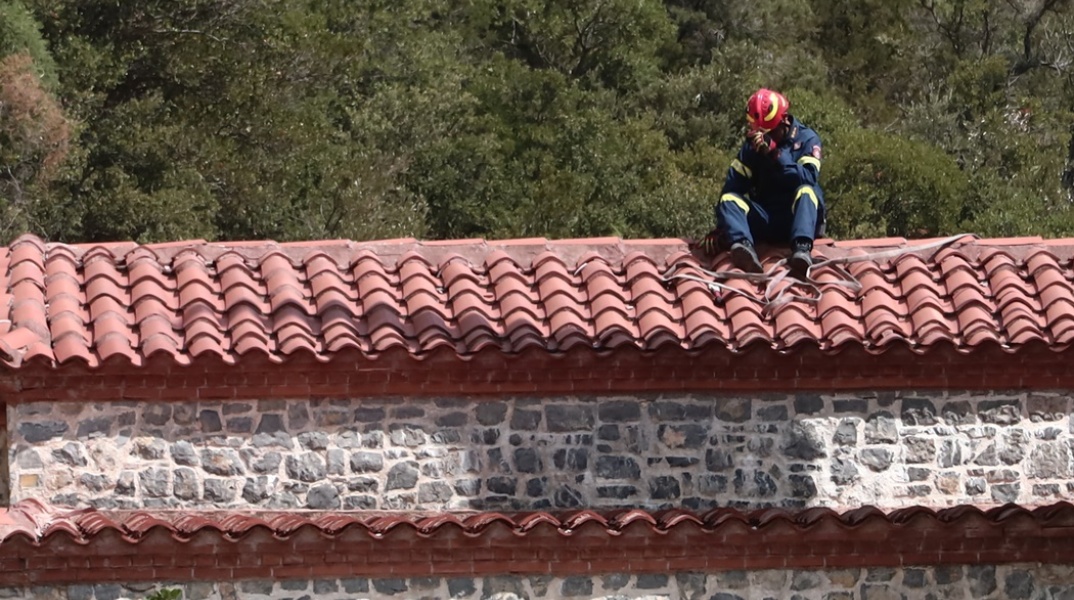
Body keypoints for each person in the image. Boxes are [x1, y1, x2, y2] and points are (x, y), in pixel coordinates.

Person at [701, 88, 825, 279]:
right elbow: (733, 187)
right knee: (728, 199)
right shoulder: (752, 148)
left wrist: (776, 154)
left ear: (783, 121)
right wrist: (721, 227)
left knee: (807, 191)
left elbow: (808, 178)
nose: (763, 138)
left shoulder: (807, 140)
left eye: (770, 132)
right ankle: (744, 248)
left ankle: (801, 249)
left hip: (796, 217)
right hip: (765, 217)